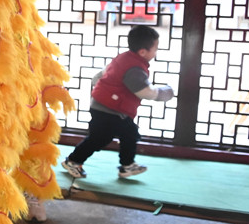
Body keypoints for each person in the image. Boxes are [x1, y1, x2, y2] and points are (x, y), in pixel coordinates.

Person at [62, 25, 174, 179]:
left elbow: (102, 74)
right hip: (108, 109)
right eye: (155, 49)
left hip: (109, 106)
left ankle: (127, 165)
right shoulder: (134, 68)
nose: (156, 52)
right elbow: (145, 92)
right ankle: (74, 161)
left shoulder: (124, 57)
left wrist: (98, 89)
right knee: (101, 138)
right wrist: (165, 93)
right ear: (143, 52)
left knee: (127, 134)